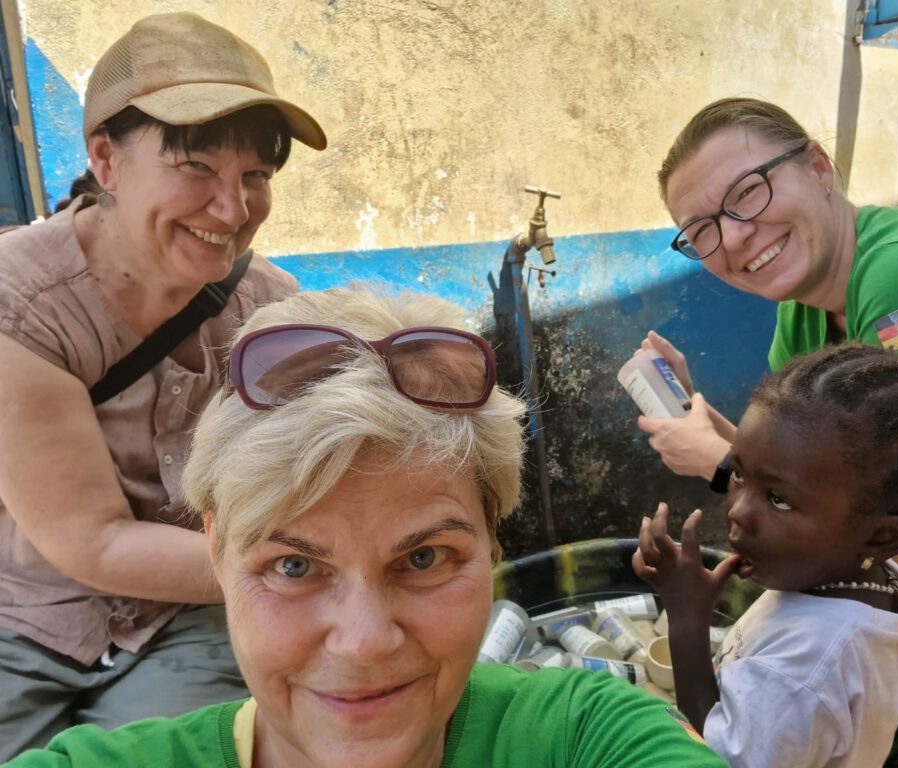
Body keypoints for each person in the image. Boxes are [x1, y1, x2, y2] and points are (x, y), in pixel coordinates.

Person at [5, 284, 730, 768]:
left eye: (423, 559)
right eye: (293, 566)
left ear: (490, 548)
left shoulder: (581, 738)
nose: (363, 642)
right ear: (219, 555)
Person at [637, 96, 898, 767]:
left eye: (748, 193)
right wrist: (699, 411)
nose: (731, 239)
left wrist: (720, 466)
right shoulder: (804, 314)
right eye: (700, 229)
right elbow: (804, 467)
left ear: (819, 166)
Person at [0, 11, 326, 758]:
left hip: (189, 615)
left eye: (255, 176)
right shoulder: (19, 305)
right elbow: (94, 542)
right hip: (24, 615)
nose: (233, 210)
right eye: (198, 168)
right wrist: (310, 566)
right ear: (106, 160)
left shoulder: (269, 310)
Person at [634, 343, 898, 767]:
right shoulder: (885, 587)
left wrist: (687, 618)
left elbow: (709, 758)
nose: (738, 511)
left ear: (883, 535)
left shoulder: (799, 670)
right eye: (740, 475)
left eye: (779, 500)